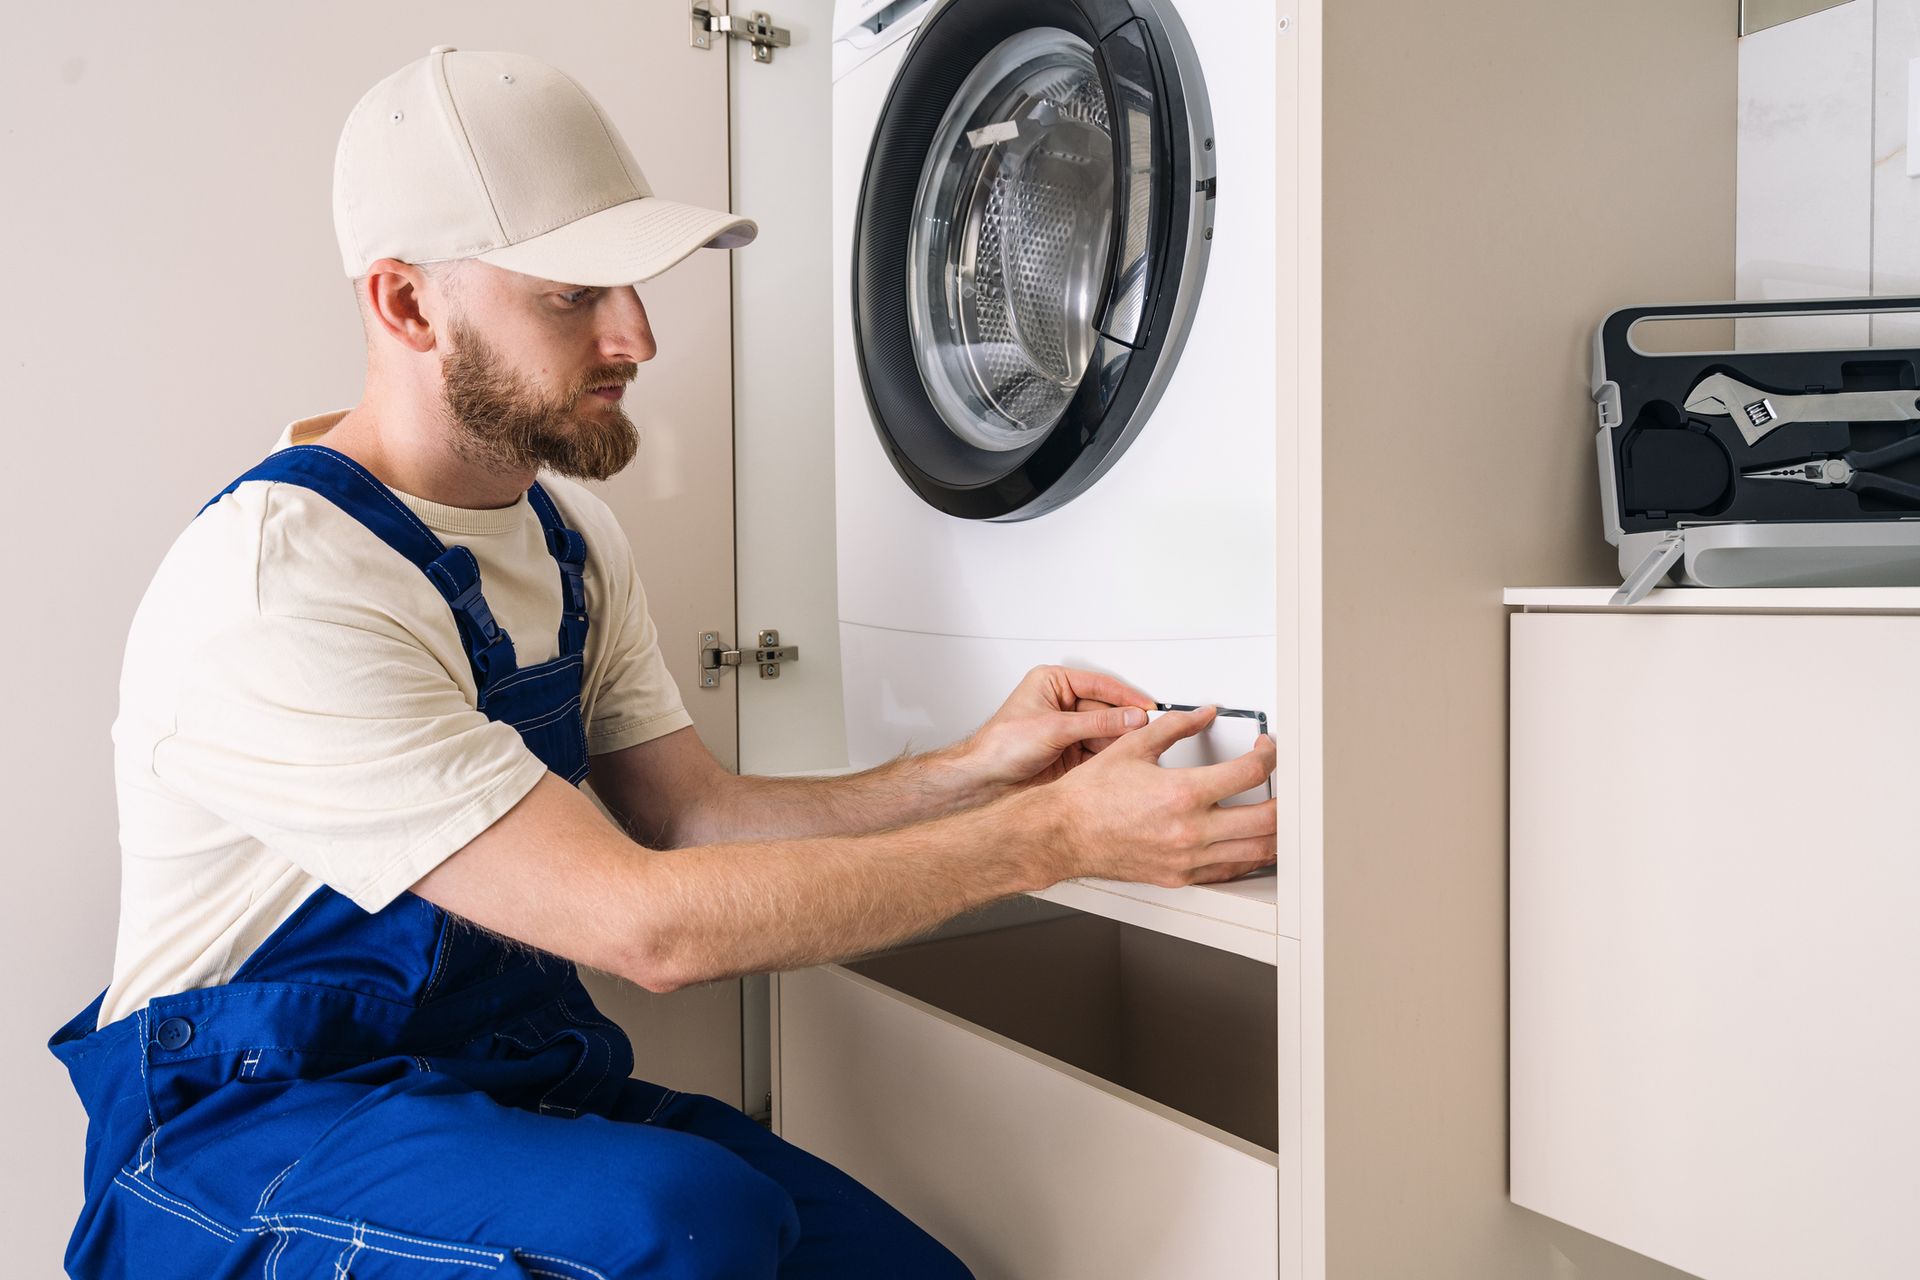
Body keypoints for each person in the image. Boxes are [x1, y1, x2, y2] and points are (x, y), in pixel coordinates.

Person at [48, 46, 1277, 1279]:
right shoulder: (282, 586)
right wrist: (1058, 836)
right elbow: (646, 927)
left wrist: (981, 769)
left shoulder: (567, 533)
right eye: (572, 292)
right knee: (677, 1224)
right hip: (239, 1140)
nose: (637, 333)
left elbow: (692, 819)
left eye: (632, 283)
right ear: (407, 306)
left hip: (496, 1089)